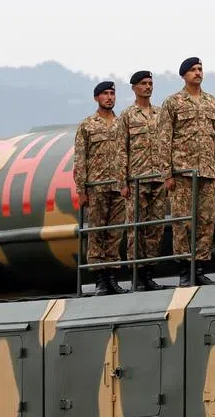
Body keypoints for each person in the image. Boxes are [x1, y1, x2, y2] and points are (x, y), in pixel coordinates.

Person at [154, 56, 215, 286]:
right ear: (184, 75)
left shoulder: (211, 102)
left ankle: (199, 267)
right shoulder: (173, 103)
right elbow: (164, 140)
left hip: (206, 172)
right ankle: (185, 271)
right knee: (183, 223)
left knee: (205, 221)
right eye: (193, 69)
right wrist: (167, 174)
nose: (198, 72)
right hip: (182, 173)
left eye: (200, 69)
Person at [73, 80, 127, 295]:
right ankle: (99, 280)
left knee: (115, 233)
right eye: (105, 94)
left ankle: (112, 277)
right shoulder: (87, 125)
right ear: (97, 98)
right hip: (96, 187)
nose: (109, 97)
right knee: (97, 233)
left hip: (118, 186)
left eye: (112, 93)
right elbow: (80, 159)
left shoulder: (122, 123)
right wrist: (81, 189)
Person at [117, 69, 165, 291]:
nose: (148, 87)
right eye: (143, 84)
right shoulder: (127, 115)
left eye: (150, 83)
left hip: (158, 178)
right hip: (136, 179)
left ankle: (149, 273)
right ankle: (136, 274)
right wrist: (122, 182)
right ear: (134, 87)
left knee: (155, 228)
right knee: (135, 229)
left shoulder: (160, 113)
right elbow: (121, 150)